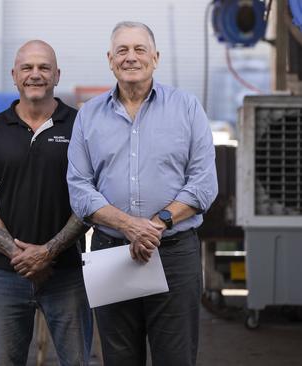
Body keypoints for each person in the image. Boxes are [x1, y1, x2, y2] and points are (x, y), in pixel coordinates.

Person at [67, 21, 218, 366]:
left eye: (139, 49)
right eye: (122, 50)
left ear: (155, 57)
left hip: (174, 253)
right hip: (111, 253)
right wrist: (128, 226)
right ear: (110, 59)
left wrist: (156, 224)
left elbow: (204, 182)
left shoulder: (187, 107)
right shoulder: (88, 116)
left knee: (175, 357)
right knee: (119, 358)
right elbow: (79, 188)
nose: (131, 57)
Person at [0, 40, 93, 366]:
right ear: (14, 75)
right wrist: (19, 255)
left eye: (44, 68)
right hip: (6, 275)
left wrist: (48, 252)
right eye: (27, 68)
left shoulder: (82, 127)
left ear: (57, 75)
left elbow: (91, 201)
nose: (35, 75)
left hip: (67, 274)